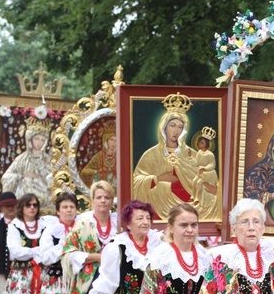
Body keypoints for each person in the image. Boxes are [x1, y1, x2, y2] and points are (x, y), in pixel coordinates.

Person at [132, 92, 218, 220]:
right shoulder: (151, 154)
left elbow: (211, 184)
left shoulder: (192, 154)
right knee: (159, 188)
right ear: (164, 128)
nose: (176, 131)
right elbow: (135, 183)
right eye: (172, 126)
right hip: (160, 211)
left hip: (193, 210)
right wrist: (158, 179)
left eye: (180, 127)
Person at [0, 117, 54, 212]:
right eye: (37, 139)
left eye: (42, 140)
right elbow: (6, 177)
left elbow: (53, 179)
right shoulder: (21, 159)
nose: (39, 143)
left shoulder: (48, 159)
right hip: (24, 195)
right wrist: (22, 176)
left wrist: (43, 177)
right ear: (30, 139)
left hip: (44, 195)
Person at [80, 121, 118, 188]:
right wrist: (97, 172)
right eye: (111, 139)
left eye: (116, 140)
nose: (114, 143)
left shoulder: (121, 157)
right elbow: (84, 172)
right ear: (106, 140)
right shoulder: (98, 156)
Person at [190, 127, 218, 208]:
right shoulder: (199, 153)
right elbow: (197, 163)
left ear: (206, 144)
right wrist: (191, 158)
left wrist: (205, 168)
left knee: (199, 182)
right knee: (194, 180)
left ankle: (197, 199)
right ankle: (193, 196)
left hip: (209, 174)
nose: (199, 144)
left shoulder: (210, 154)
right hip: (201, 173)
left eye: (202, 143)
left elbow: (212, 165)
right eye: (199, 143)